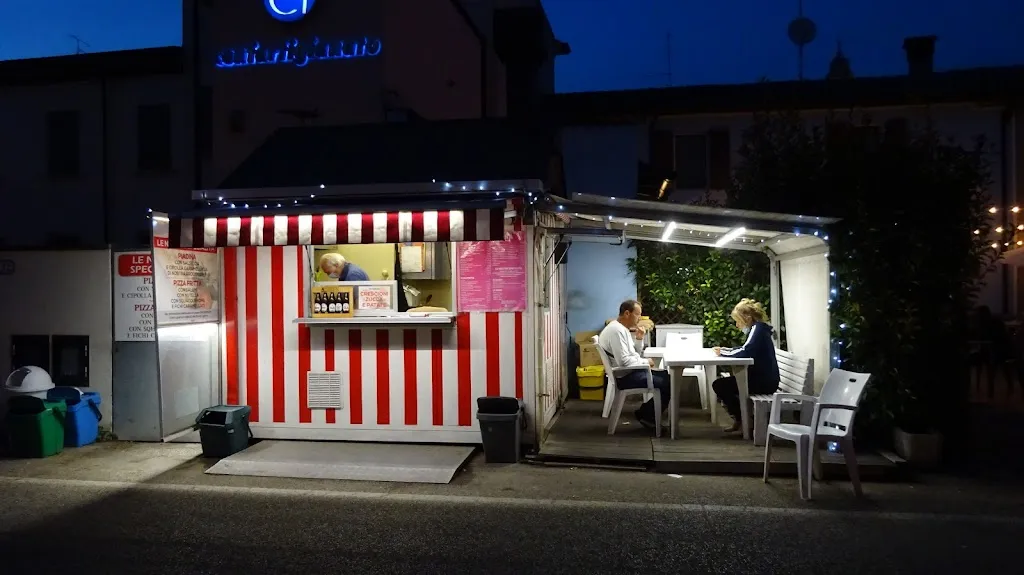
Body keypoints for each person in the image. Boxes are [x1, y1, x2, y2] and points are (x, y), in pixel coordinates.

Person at [598, 299, 670, 431]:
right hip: (625, 377)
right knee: (669, 383)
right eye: (637, 314)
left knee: (666, 376)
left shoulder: (620, 328)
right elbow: (624, 361)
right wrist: (645, 362)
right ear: (627, 313)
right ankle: (647, 416)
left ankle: (645, 414)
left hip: (629, 372)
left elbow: (633, 353)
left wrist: (639, 339)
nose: (639, 318)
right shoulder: (616, 331)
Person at [711, 298, 780, 433]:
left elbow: (746, 351)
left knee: (720, 385)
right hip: (763, 379)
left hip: (764, 382)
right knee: (723, 384)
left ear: (748, 318)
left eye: (738, 321)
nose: (737, 325)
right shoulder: (758, 328)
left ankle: (743, 419)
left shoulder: (758, 329)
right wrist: (727, 350)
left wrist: (723, 354)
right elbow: (746, 348)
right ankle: (742, 418)